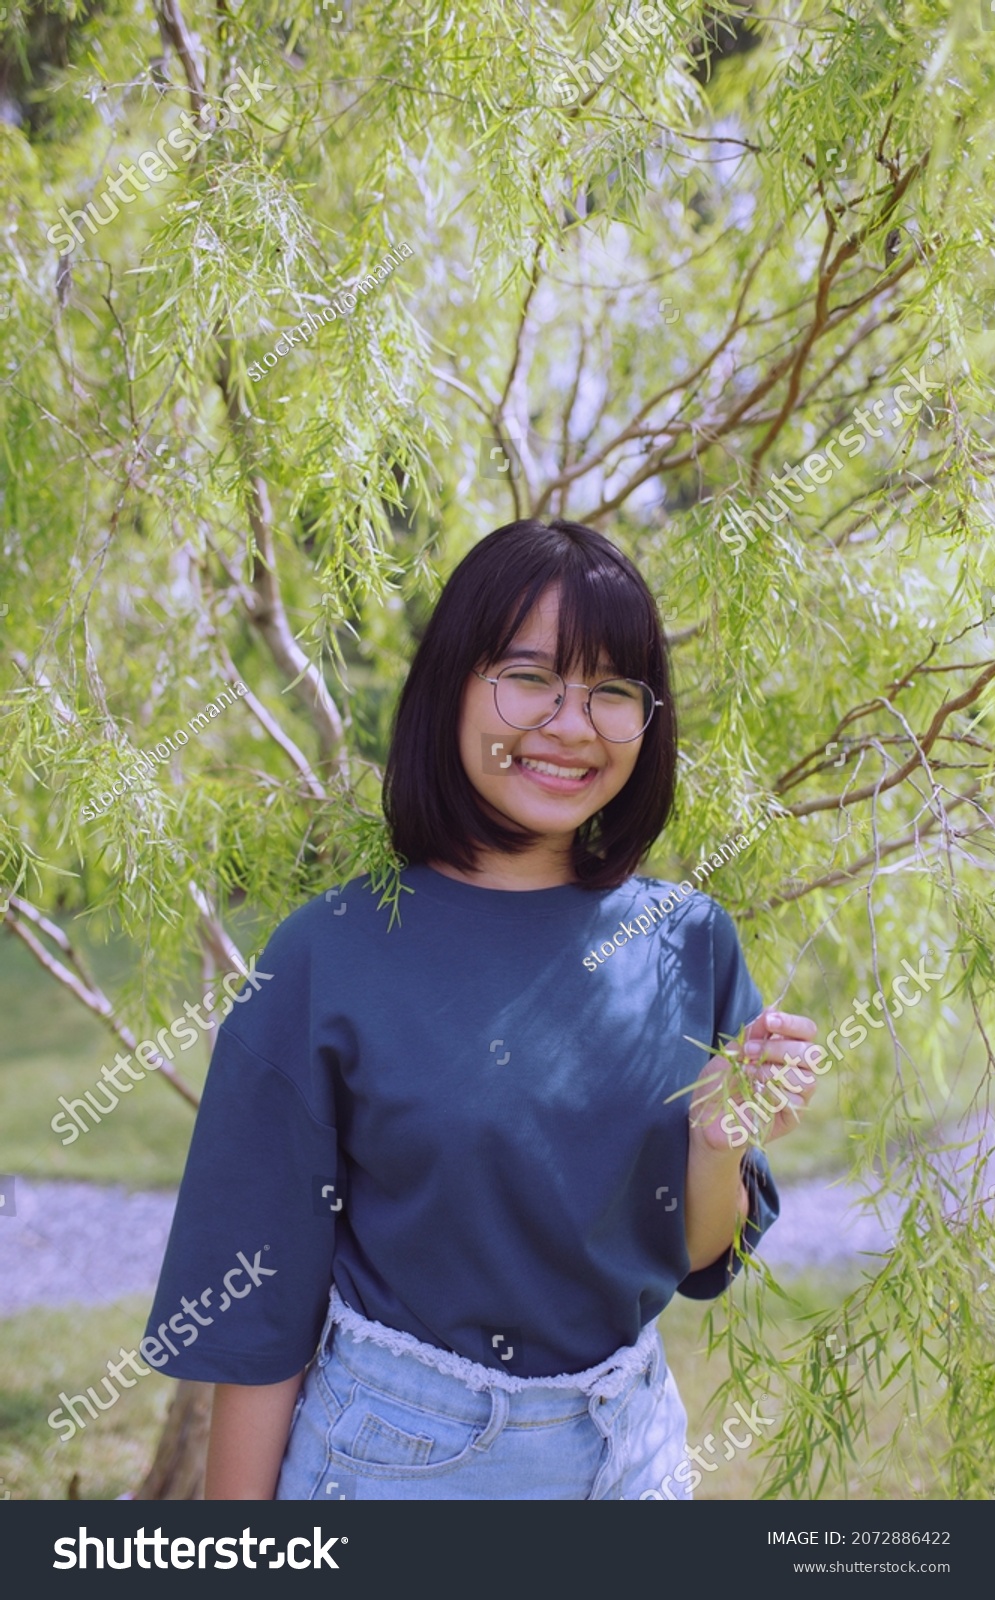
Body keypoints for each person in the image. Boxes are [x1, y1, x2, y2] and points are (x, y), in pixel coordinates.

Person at [142, 517, 819, 1500]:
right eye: (529, 677)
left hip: (629, 1454)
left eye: (611, 691)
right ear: (450, 687)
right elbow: (258, 1308)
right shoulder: (326, 955)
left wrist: (715, 1145)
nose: (571, 723)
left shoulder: (688, 937)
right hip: (397, 1464)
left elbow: (695, 1253)